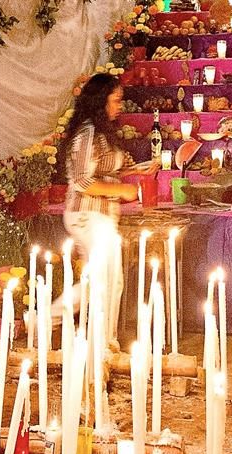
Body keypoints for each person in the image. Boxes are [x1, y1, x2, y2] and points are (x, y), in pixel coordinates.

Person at [59, 73, 158, 349]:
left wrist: (137, 170)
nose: (120, 106)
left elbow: (109, 170)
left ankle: (105, 339)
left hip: (103, 217)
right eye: (115, 100)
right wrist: (122, 191)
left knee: (108, 281)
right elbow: (81, 181)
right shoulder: (87, 134)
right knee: (104, 279)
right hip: (86, 216)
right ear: (100, 101)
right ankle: (95, 338)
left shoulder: (103, 133)